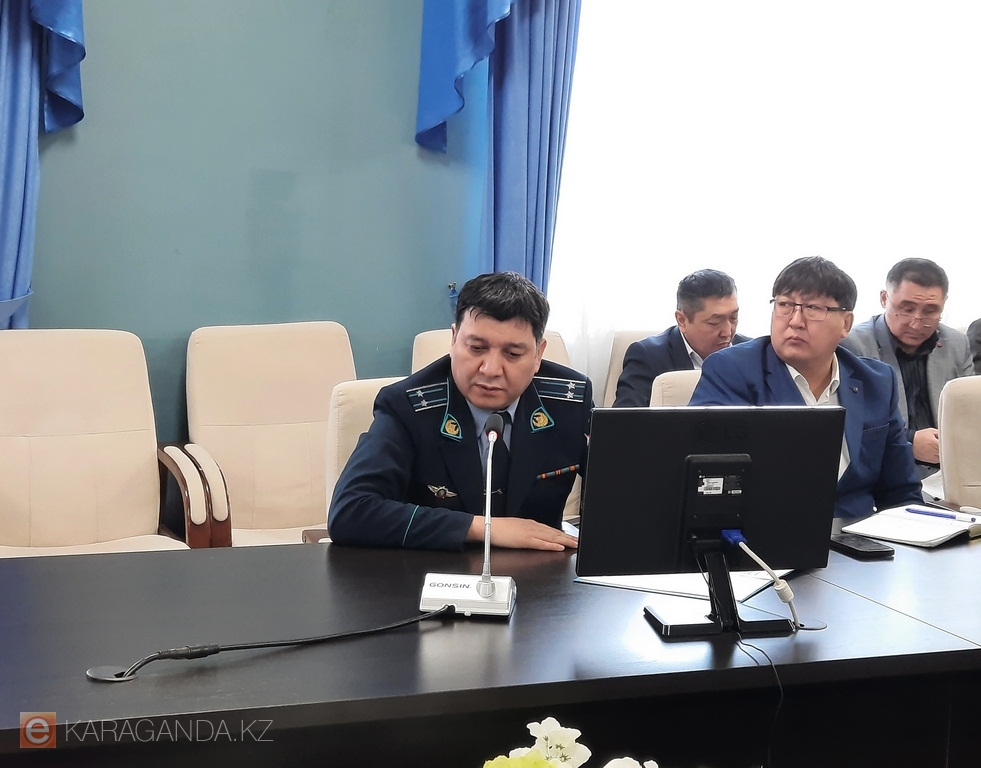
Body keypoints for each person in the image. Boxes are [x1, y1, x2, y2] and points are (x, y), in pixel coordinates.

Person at [328, 272, 590, 552]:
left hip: (541, 571)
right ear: (454, 339)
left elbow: (617, 492)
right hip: (435, 568)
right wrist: (481, 528)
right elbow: (350, 511)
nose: (490, 369)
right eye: (476, 348)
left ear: (538, 354)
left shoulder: (569, 402)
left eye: (513, 354)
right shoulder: (408, 407)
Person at [689, 256, 921, 521]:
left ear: (845, 324)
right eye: (785, 305)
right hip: (764, 533)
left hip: (858, 538)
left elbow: (901, 492)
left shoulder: (876, 381)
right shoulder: (732, 370)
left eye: (813, 308)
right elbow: (708, 478)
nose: (795, 321)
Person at [840, 258, 973, 477]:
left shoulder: (956, 344)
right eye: (906, 309)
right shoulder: (853, 346)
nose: (916, 323)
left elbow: (969, 414)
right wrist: (909, 440)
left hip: (951, 469)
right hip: (886, 471)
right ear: (884, 298)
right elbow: (850, 425)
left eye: (930, 311)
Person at [613, 269, 750, 407]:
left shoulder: (752, 353)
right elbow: (625, 418)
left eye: (733, 318)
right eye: (714, 322)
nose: (727, 332)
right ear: (682, 320)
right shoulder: (648, 357)